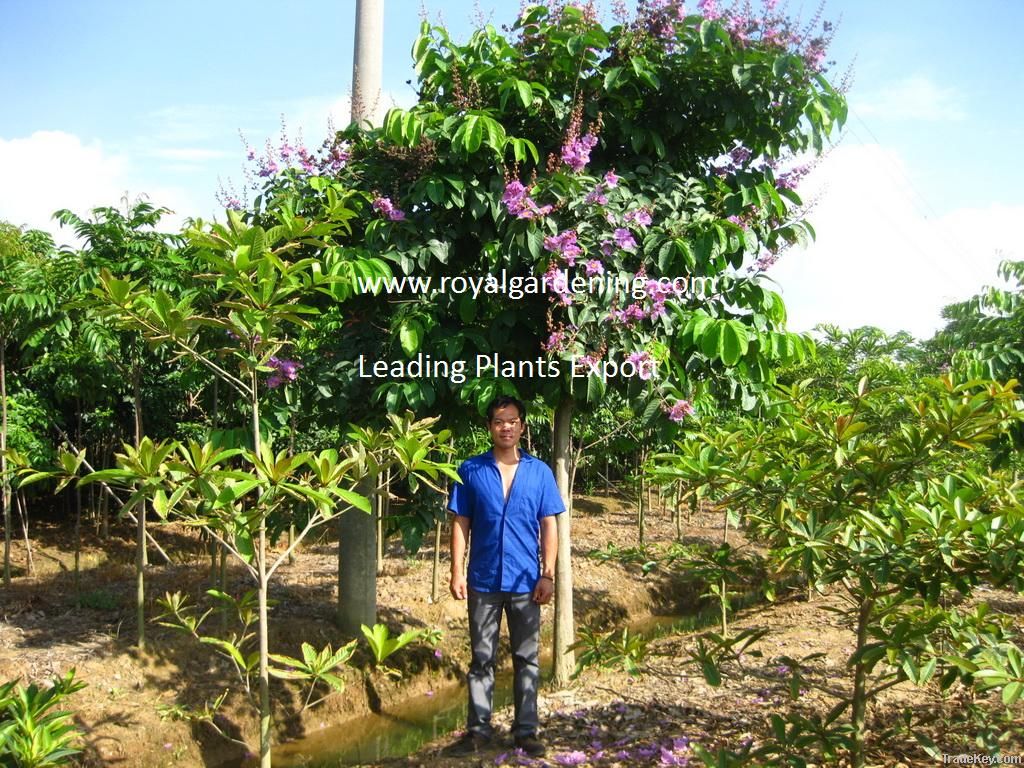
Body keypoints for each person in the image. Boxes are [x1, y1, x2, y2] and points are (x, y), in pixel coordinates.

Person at [447, 395, 564, 758]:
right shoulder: (470, 470)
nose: (506, 427)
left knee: (527, 657)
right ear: (490, 427)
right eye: (499, 421)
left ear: (523, 426)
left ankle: (526, 731)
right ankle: (478, 731)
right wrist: (456, 570)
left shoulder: (540, 472)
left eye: (513, 421)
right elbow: (460, 522)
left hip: (526, 582)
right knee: (482, 659)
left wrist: (548, 575)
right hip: (483, 579)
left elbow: (550, 525)